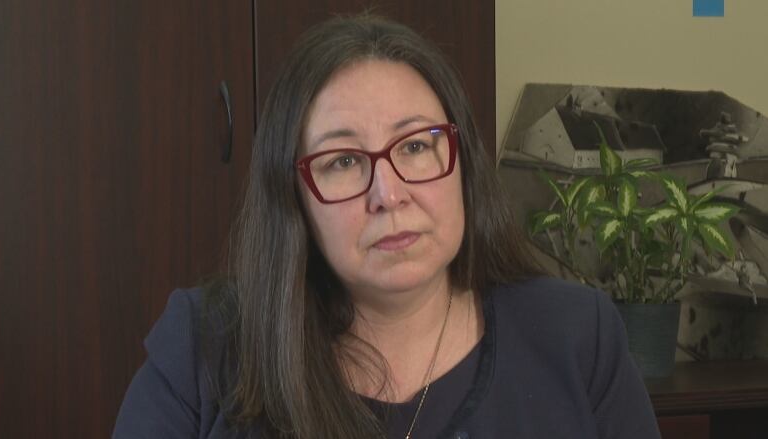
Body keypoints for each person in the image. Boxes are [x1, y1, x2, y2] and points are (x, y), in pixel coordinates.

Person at [113, 14, 660, 439]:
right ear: (295, 196)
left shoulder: (577, 336)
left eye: (417, 145)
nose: (389, 194)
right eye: (343, 161)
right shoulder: (205, 346)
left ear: (461, 159)